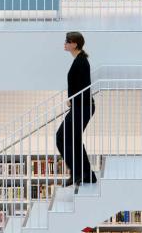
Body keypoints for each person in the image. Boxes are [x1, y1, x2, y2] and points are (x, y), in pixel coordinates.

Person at [56, 31, 97, 189]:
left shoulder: (81, 62)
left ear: (74, 44)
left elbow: (84, 87)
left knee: (62, 137)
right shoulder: (79, 60)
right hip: (81, 106)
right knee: (73, 140)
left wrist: (73, 100)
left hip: (83, 107)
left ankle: (78, 172)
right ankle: (85, 175)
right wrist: (72, 100)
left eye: (67, 41)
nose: (65, 44)